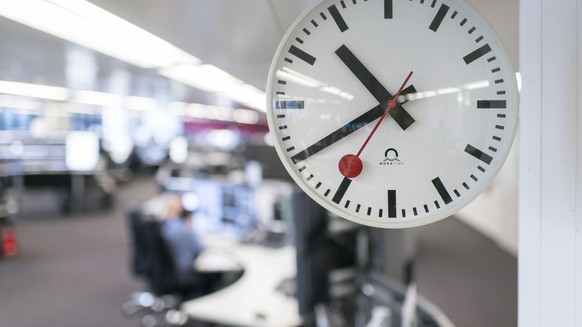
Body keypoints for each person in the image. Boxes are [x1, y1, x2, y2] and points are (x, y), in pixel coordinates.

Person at [159, 195, 205, 288]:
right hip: (184, 274)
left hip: (167, 272)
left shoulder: (164, 226)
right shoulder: (185, 231)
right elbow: (201, 250)